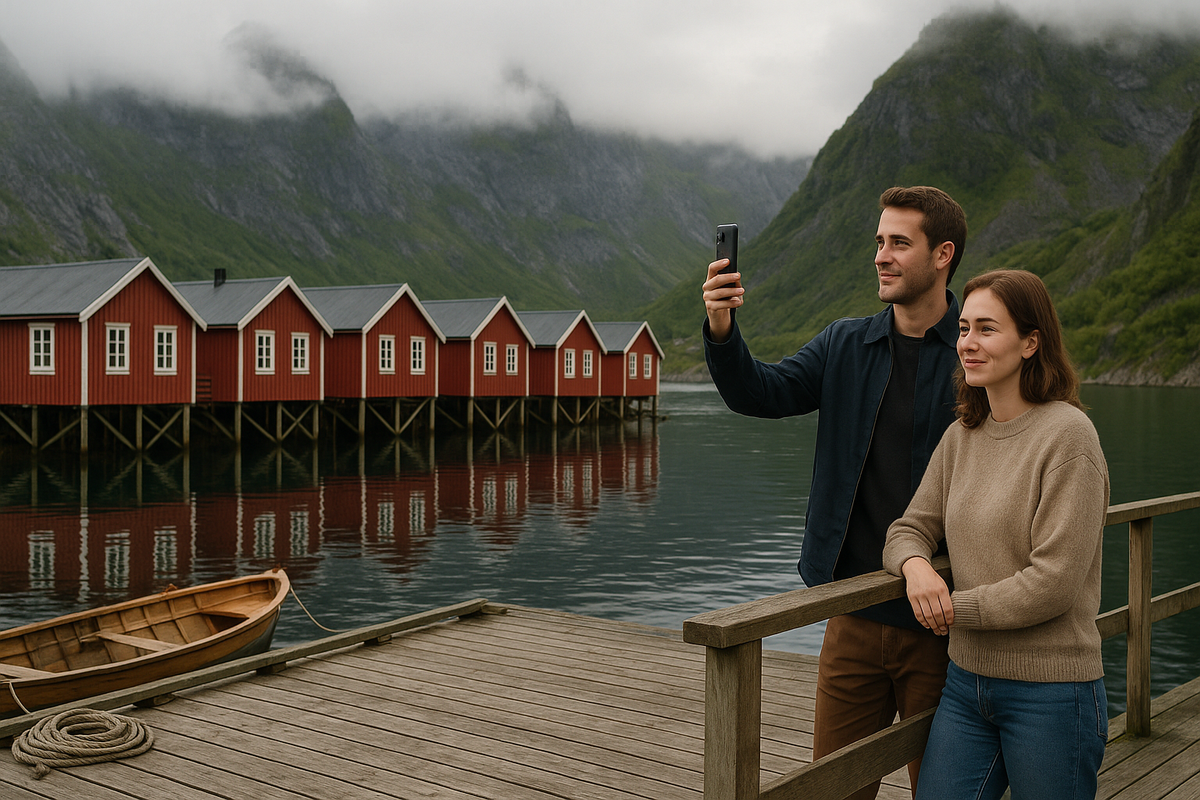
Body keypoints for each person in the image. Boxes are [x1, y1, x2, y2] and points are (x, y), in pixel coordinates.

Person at [702, 185, 967, 799]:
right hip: (850, 614)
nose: (882, 255)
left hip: (946, 619)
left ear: (943, 254)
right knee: (835, 790)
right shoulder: (846, 343)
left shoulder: (974, 351)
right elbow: (760, 394)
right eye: (879, 241)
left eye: (900, 243)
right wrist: (722, 329)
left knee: (946, 790)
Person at [883, 269, 1109, 799]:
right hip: (965, 685)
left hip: (1052, 692)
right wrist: (916, 568)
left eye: (987, 329)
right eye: (963, 328)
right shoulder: (962, 436)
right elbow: (908, 528)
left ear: (1031, 342)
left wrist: (951, 609)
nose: (968, 343)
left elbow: (1052, 583)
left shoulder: (1069, 438)